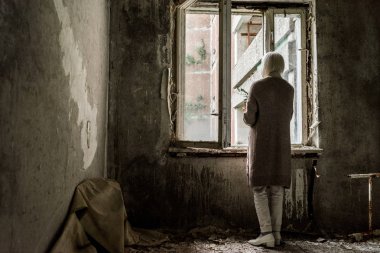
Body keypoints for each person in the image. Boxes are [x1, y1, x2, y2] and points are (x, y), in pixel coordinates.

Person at [243, 52, 294, 248]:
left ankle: (266, 233)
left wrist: (244, 114)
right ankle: (277, 234)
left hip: (262, 143)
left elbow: (251, 119)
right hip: (281, 144)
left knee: (259, 188)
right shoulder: (289, 89)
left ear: (266, 65)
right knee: (277, 188)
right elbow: (288, 116)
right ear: (281, 66)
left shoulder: (257, 86)